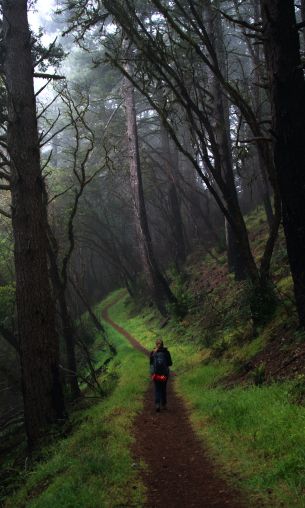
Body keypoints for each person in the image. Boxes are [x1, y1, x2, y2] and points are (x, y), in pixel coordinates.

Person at [150, 338, 172, 412]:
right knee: (163, 389)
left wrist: (152, 373)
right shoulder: (166, 352)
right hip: (164, 374)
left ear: (156, 344)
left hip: (156, 374)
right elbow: (170, 363)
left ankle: (157, 404)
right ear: (163, 344)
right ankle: (164, 404)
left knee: (157, 389)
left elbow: (151, 363)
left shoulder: (153, 352)